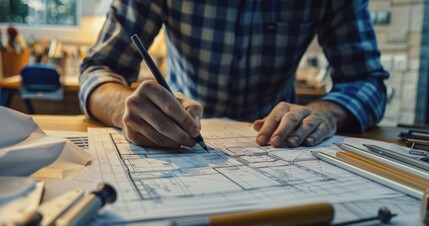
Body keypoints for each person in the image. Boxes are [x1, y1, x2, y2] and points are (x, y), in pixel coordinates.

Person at [79, 0, 389, 149]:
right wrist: (125, 110)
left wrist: (323, 113)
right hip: (177, 133)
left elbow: (367, 81)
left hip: (284, 145)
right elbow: (98, 70)